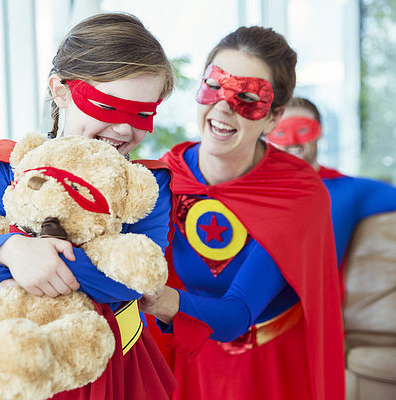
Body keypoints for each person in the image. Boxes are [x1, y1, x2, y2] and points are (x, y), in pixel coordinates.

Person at [0, 13, 177, 400]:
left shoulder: (147, 186)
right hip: (13, 362)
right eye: (109, 106)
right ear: (61, 91)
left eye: (142, 113)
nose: (125, 129)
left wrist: (46, 262)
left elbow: (131, 278)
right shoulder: (7, 168)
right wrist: (11, 248)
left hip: (110, 366)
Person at [140, 27, 345, 400]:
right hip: (190, 358)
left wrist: (158, 300)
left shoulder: (294, 193)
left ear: (273, 117)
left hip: (271, 368)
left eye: (247, 97)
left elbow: (236, 313)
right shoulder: (163, 178)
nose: (223, 106)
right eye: (215, 86)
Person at [267, 97, 396, 270]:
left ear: (320, 132)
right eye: (281, 132)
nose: (293, 141)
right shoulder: (253, 189)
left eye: (303, 129)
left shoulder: (350, 190)